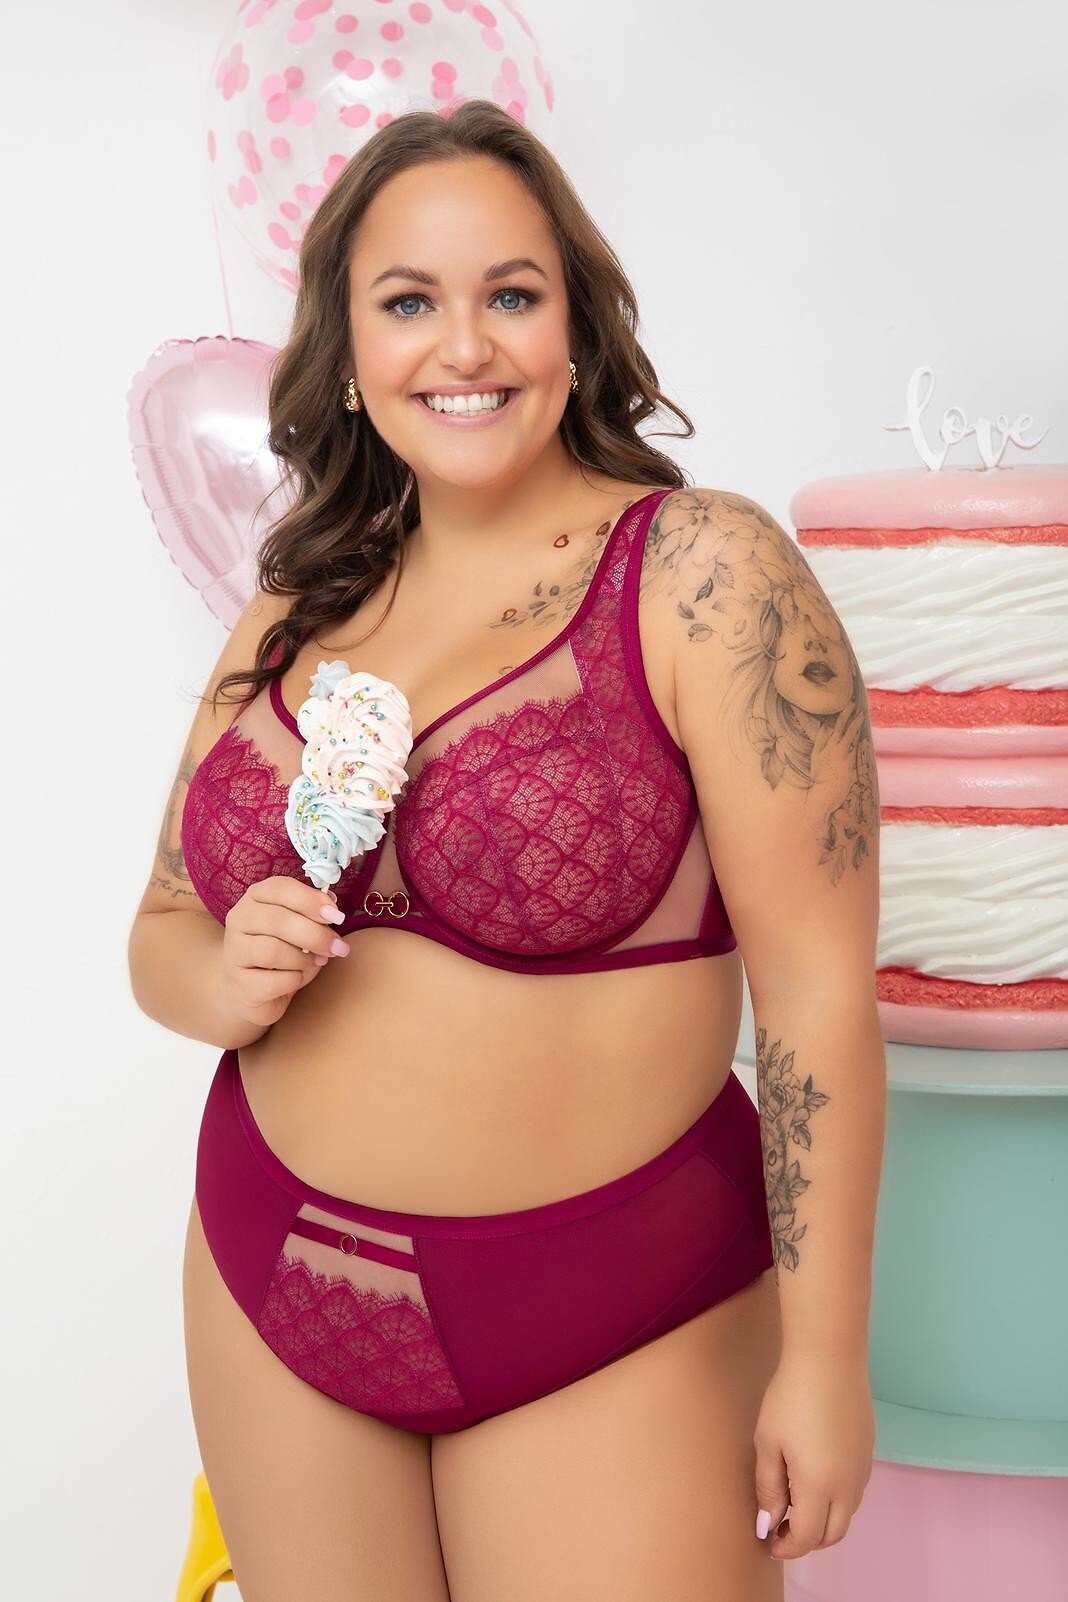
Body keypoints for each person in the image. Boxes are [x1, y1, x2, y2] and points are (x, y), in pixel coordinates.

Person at [128, 99, 884, 1602]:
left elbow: (815, 997)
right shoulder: (291, 614)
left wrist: (825, 1360)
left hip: (617, 1310)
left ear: (577, 328)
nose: (463, 346)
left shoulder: (701, 575)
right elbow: (159, 925)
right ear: (348, 348)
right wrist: (225, 976)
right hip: (273, 1279)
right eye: (409, 302)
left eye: (513, 295)